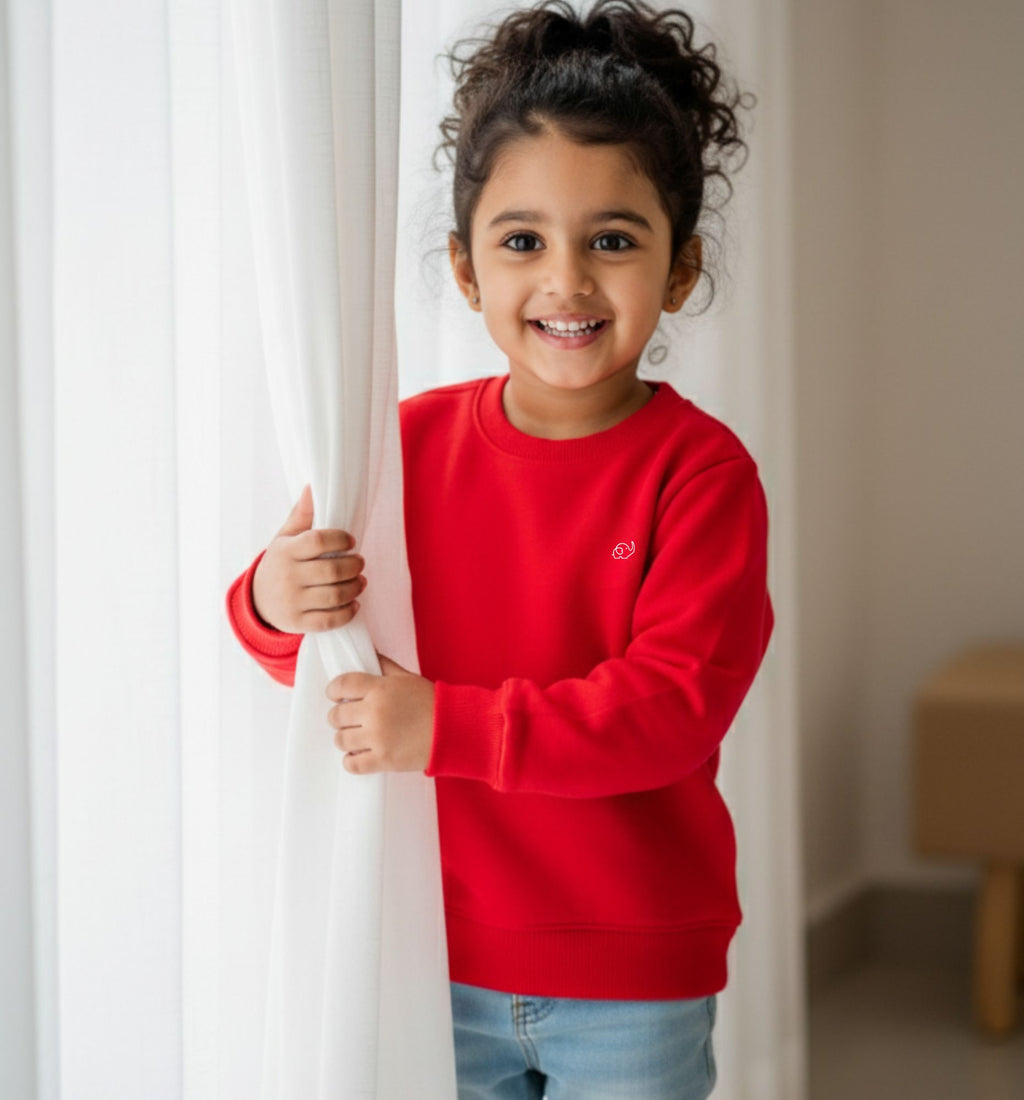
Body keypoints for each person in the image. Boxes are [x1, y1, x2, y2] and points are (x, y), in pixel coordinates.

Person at [224, 1, 771, 1096]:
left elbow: (667, 709)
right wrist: (269, 603)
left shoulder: (701, 474)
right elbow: (326, 664)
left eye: (611, 239)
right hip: (433, 947)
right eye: (521, 241)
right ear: (467, 271)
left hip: (630, 975)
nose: (564, 281)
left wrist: (442, 723)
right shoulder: (403, 444)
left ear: (675, 269)